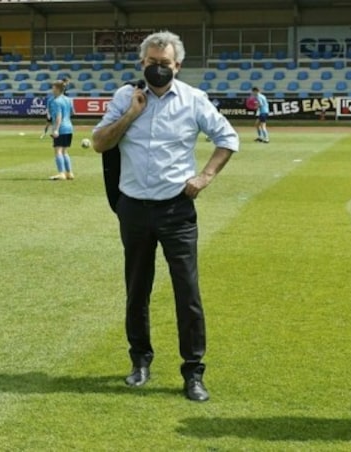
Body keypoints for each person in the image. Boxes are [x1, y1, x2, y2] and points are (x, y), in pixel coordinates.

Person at [91, 30, 239, 402]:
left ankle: (194, 372)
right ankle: (139, 361)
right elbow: (99, 142)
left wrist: (204, 177)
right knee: (136, 289)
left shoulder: (193, 100)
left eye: (165, 64)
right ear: (142, 63)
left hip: (176, 209)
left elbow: (228, 138)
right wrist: (131, 113)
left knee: (187, 293)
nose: (158, 69)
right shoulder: (125, 97)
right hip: (134, 208)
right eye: (152, 63)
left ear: (178, 65)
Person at [48, 79, 74, 180]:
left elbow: (58, 116)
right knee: (65, 151)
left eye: (53, 87)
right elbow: (72, 112)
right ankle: (69, 173)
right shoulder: (68, 99)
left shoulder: (56, 101)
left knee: (58, 151)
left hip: (61, 128)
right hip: (69, 127)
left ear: (58, 89)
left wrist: (56, 129)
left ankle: (61, 173)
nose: (52, 89)